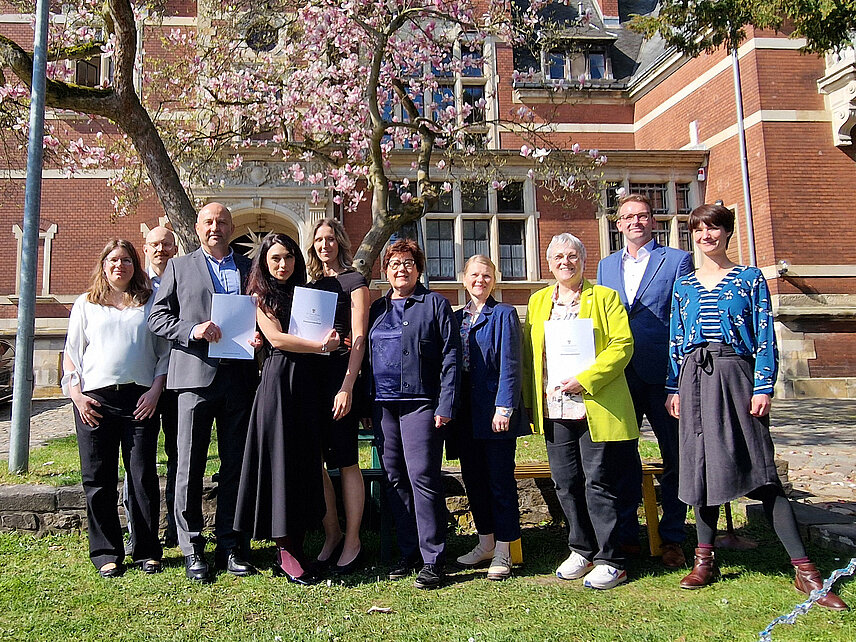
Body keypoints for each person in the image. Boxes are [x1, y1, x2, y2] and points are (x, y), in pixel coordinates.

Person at [666, 204, 848, 610]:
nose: (705, 236)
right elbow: (676, 339)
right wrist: (672, 387)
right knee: (700, 468)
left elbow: (766, 335)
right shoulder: (685, 285)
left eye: (713, 228)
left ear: (727, 233)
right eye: (698, 230)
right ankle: (704, 559)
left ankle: (805, 571)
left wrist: (763, 386)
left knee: (762, 471)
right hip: (693, 378)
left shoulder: (749, 279)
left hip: (737, 374)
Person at [148, 202, 261, 582]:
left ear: (232, 227)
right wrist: (193, 331)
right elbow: (157, 317)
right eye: (209, 222)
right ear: (197, 228)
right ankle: (192, 547)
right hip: (193, 380)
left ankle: (231, 545)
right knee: (189, 466)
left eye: (222, 222)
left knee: (235, 466)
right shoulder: (179, 267)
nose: (216, 227)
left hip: (241, 380)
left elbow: (263, 312)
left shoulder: (249, 267)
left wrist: (262, 335)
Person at [523, 233, 639, 590]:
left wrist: (586, 378)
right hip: (555, 407)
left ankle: (611, 558)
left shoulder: (605, 298)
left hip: (594, 404)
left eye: (572, 256)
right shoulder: (538, 301)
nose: (565, 262)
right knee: (566, 482)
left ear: (583, 260)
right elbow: (532, 356)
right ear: (549, 262)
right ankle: (581, 549)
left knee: (599, 481)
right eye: (558, 256)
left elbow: (623, 345)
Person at [234, 233, 340, 584]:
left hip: (308, 384)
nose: (283, 264)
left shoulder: (308, 296)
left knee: (305, 462)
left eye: (289, 257)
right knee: (279, 461)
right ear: (264, 262)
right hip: (279, 384)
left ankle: (298, 540)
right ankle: (284, 550)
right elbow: (277, 339)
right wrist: (320, 346)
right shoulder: (260, 296)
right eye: (276, 258)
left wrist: (333, 342)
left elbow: (326, 334)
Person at [596, 193, 693, 568]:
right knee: (620, 457)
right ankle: (626, 535)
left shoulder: (677, 260)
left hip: (663, 376)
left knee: (675, 458)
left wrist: (678, 380)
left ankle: (672, 537)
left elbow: (686, 319)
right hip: (620, 376)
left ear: (653, 221)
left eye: (643, 216)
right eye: (628, 217)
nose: (635, 222)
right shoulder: (605, 267)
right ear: (617, 224)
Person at [62, 239, 169, 577]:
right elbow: (72, 353)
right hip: (95, 402)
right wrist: (77, 396)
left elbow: (164, 352)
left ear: (135, 265)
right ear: (103, 264)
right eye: (113, 260)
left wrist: (155, 391)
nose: (119, 265)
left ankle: (147, 550)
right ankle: (106, 552)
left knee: (141, 476)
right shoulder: (86, 304)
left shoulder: (149, 301)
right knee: (98, 478)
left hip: (140, 401)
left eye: (126, 260)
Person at [365, 239, 460, 590]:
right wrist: (365, 405)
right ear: (385, 270)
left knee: (422, 476)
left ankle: (434, 558)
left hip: (422, 404)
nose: (400, 269)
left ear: (418, 268)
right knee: (393, 476)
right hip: (383, 405)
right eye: (393, 264)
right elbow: (364, 357)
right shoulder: (376, 309)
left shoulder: (435, 305)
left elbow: (451, 357)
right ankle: (410, 553)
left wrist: (446, 405)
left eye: (407, 263)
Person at [452, 255, 529, 581]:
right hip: (465, 414)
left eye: (486, 275)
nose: (480, 280)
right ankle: (485, 543)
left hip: (495, 411)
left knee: (500, 482)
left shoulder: (504, 314)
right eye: (474, 275)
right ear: (464, 278)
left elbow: (512, 365)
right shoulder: (456, 318)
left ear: (494, 280)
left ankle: (504, 550)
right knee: (475, 480)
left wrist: (505, 408)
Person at [305, 218, 369, 575]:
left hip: (343, 375)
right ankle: (332, 535)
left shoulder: (354, 281)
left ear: (340, 242)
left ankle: (353, 540)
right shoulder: (312, 285)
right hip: (314, 379)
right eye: (318, 239)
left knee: (346, 460)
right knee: (317, 461)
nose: (324, 244)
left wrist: (348, 385)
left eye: (330, 238)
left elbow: (360, 337)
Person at [124, 226, 180, 549]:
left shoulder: (184, 282)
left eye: (167, 245)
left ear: (175, 249)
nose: (161, 250)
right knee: (138, 461)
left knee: (177, 457)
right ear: (145, 248)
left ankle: (176, 528)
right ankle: (139, 532)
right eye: (155, 245)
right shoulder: (133, 287)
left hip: (176, 384)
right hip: (141, 385)